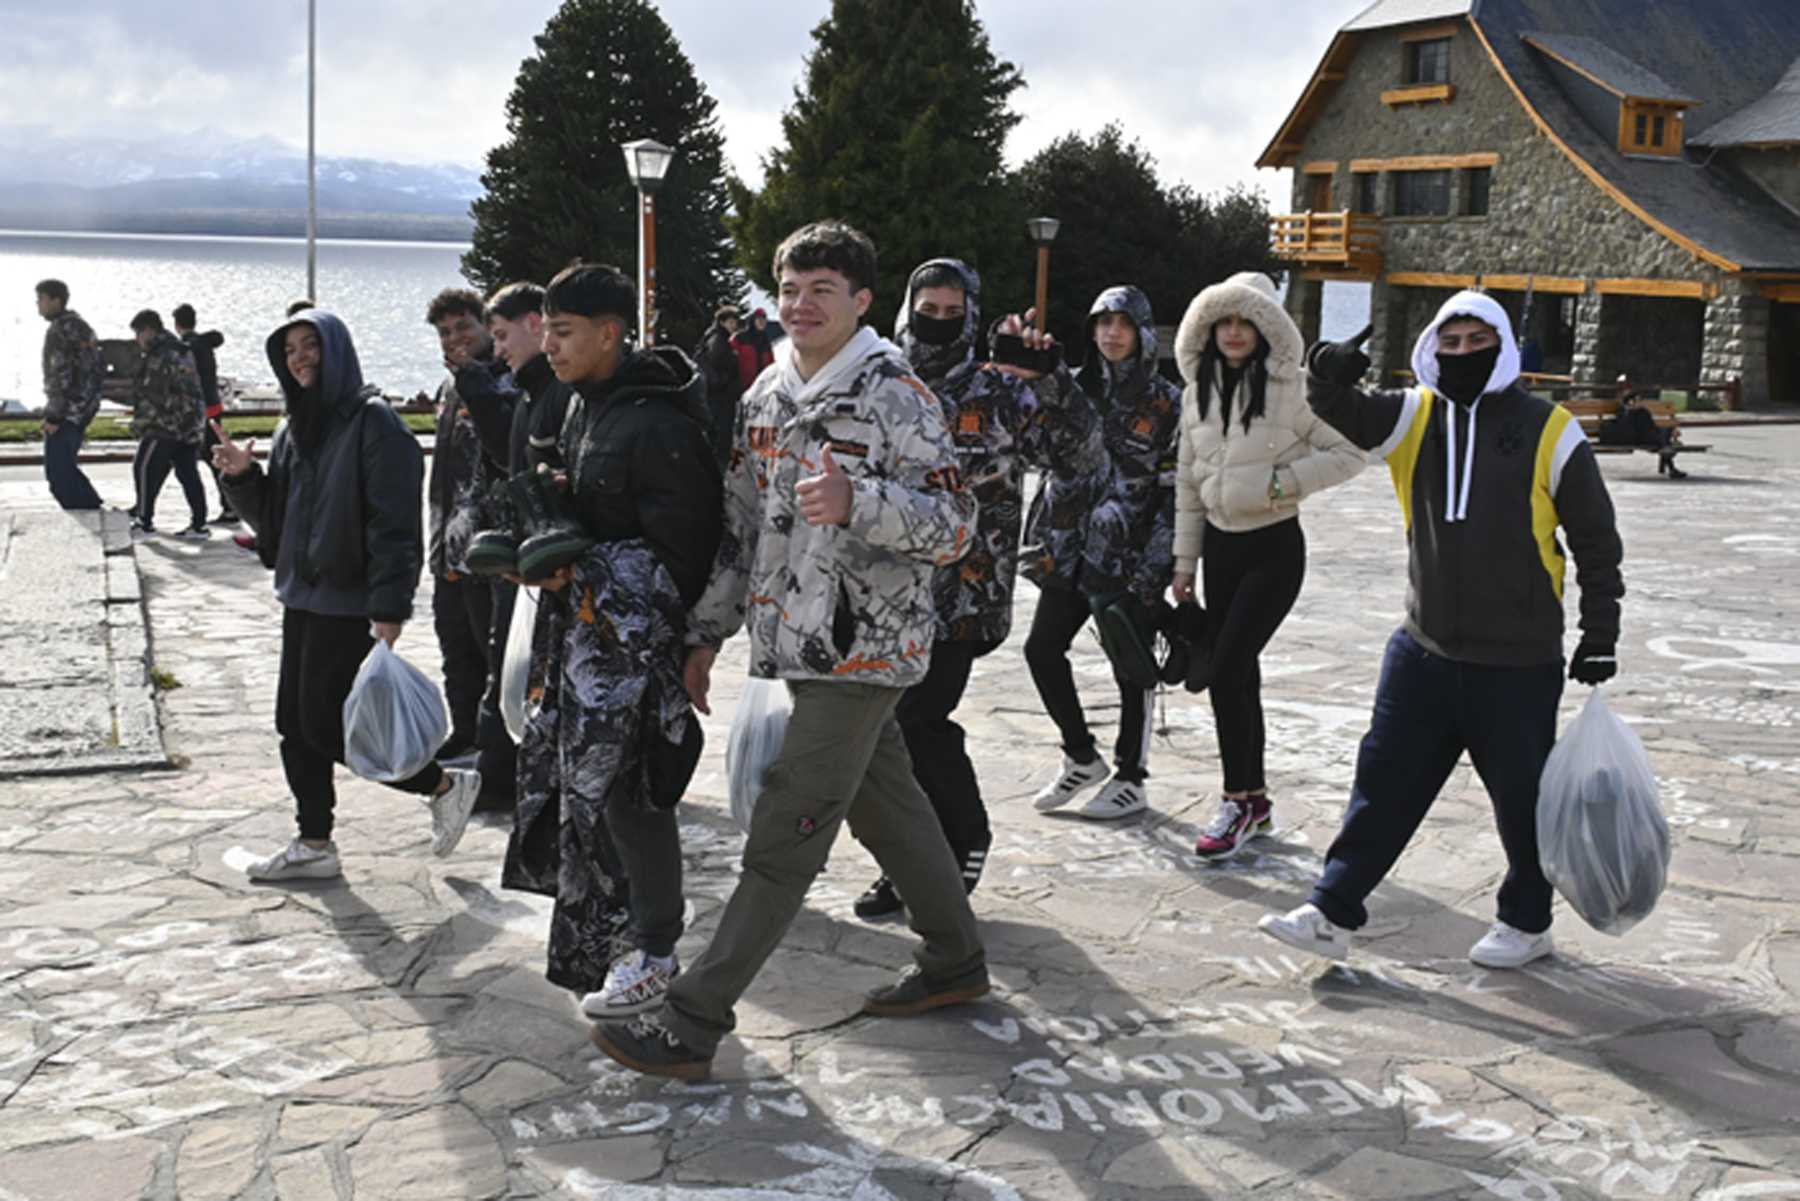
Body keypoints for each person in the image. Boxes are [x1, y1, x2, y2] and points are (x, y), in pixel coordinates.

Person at [590, 221, 986, 1081]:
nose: (801, 305)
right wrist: (707, 632)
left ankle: (694, 1020)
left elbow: (956, 527)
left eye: (823, 291)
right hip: (790, 642)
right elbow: (741, 527)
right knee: (892, 808)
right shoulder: (767, 395)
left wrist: (861, 501)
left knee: (784, 830)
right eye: (791, 289)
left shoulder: (899, 397)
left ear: (863, 302)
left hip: (866, 649)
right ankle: (956, 960)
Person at [1258, 291, 1624, 968]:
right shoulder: (1411, 416)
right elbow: (1344, 411)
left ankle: (1527, 921)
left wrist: (1600, 630)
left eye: (1474, 342)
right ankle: (1332, 910)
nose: (1460, 354)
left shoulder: (1550, 429)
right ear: (1431, 347)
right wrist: (1324, 371)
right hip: (1423, 648)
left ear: (1502, 346)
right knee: (1382, 784)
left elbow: (1596, 540)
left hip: (1516, 662)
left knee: (1522, 802)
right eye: (1447, 343)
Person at [499, 263, 721, 1019]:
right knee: (586, 801)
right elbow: (588, 507)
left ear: (609, 332)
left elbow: (684, 553)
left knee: (634, 796)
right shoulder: (578, 406)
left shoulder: (660, 422)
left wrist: (577, 568)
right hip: (582, 641)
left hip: (632, 649)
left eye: (562, 332)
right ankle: (611, 940)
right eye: (547, 330)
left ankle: (655, 946)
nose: (548, 346)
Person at [852, 258, 1104, 921]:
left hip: (963, 593)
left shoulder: (1002, 389)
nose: (938, 323)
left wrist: (1050, 381)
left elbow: (1084, 455)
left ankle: (965, 836)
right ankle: (905, 862)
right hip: (881, 590)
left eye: (952, 312)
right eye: (927, 310)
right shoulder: (880, 379)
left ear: (972, 315)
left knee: (920, 720)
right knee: (883, 735)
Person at [213, 308, 482, 882]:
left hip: (350, 602)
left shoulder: (375, 424)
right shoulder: (294, 428)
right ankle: (314, 842)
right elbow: (277, 526)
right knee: (294, 723)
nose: (300, 358)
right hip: (302, 596)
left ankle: (441, 784)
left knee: (328, 726)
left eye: (311, 345)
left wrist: (389, 607)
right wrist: (241, 478)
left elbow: (394, 525)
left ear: (336, 349)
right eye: (289, 350)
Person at [1169, 273, 1365, 859]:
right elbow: (1187, 482)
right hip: (1220, 554)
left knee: (1226, 669)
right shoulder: (1195, 392)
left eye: (1244, 322)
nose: (1232, 333)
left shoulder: (1294, 391)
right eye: (1222, 322)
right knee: (1239, 674)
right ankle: (1252, 798)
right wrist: (1185, 563)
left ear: (1264, 329)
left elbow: (1351, 451)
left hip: (1274, 549)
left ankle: (1235, 800)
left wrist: (1283, 484)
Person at [1024, 285, 1181, 821]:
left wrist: (1157, 563)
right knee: (1041, 650)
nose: (1111, 333)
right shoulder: (1070, 388)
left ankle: (1131, 778)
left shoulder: (1166, 400)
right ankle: (1080, 756)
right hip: (1067, 547)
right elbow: (1037, 450)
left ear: (1141, 331)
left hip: (1126, 555)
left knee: (1129, 663)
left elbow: (1172, 487)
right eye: (1102, 323)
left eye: (1123, 323)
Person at [425, 288, 509, 765]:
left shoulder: (501, 384)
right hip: (446, 545)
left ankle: (495, 752)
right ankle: (464, 735)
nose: (454, 339)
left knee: (488, 656)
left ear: (485, 327)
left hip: (485, 550)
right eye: (444, 332)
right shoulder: (449, 387)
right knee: (455, 650)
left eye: (464, 328)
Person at [124, 309, 210, 540]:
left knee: (143, 466)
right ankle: (199, 525)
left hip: (167, 423)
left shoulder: (160, 354)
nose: (137, 340)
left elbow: (153, 394)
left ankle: (144, 521)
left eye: (138, 333)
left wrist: (140, 424)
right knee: (187, 472)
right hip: (191, 421)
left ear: (149, 330)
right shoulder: (180, 348)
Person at [34, 279, 105, 511]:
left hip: (67, 412)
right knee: (66, 466)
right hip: (85, 407)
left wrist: (53, 416)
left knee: (58, 473)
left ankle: (89, 514)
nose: (38, 305)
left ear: (57, 300)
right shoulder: (82, 326)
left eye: (42, 299)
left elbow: (60, 376)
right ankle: (94, 508)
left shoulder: (59, 331)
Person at [173, 303, 234, 524]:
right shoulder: (204, 344)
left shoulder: (186, 347)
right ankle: (229, 505)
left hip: (199, 409)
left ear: (177, 324)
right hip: (214, 405)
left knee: (207, 458)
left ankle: (228, 506)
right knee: (214, 456)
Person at [1604, 374, 1687, 479]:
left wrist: (1669, 430)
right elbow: (1628, 427)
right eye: (1637, 400)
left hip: (1649, 435)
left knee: (1664, 433)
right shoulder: (1624, 411)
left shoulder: (1642, 411)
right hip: (1638, 437)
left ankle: (1667, 454)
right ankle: (1670, 464)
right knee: (1663, 439)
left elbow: (1651, 426)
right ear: (1630, 401)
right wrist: (1631, 410)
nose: (1639, 402)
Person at [695, 304, 743, 468]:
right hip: (720, 395)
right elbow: (720, 365)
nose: (734, 325)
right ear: (722, 322)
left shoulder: (714, 338)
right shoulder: (719, 341)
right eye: (731, 321)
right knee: (721, 436)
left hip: (716, 394)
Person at [732, 306, 776, 391]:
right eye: (759, 319)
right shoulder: (740, 337)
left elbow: (771, 362)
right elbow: (730, 360)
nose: (762, 322)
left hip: (761, 386)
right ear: (753, 321)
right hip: (742, 385)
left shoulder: (765, 340)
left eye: (764, 320)